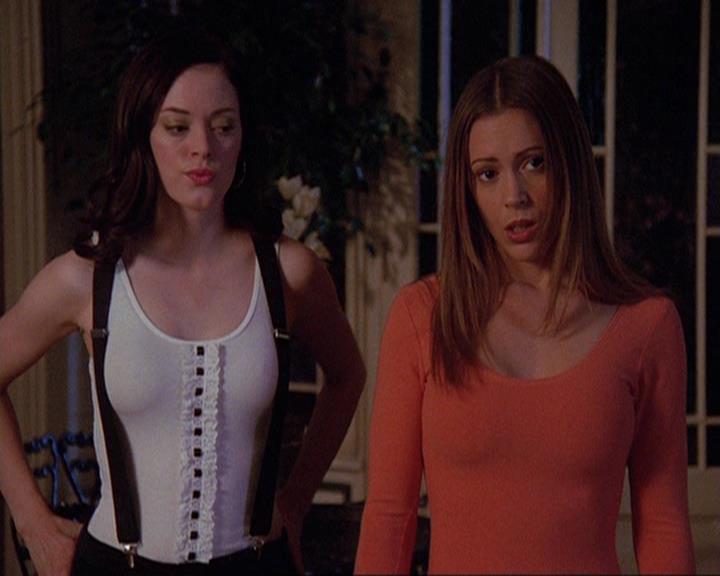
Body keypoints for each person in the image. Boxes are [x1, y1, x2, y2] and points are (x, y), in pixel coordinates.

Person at [0, 28, 365, 575]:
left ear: (242, 137)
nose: (203, 148)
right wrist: (33, 522)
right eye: (177, 127)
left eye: (223, 126)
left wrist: (295, 499)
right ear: (143, 136)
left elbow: (348, 375)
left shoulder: (288, 271)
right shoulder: (90, 276)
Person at [355, 55, 695, 574]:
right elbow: (388, 517)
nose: (514, 197)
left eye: (534, 163)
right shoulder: (423, 317)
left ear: (569, 163)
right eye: (488, 174)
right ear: (467, 190)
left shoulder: (647, 326)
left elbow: (664, 526)